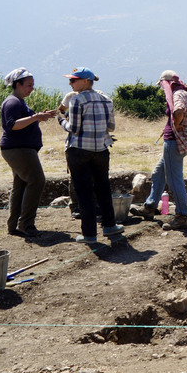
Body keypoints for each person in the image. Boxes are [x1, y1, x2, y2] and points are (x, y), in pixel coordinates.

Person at [131, 70, 187, 230]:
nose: (161, 88)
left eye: (162, 85)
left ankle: (182, 216)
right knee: (158, 173)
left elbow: (178, 111)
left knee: (174, 180)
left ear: (167, 83)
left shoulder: (177, 95)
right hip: (175, 142)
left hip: (173, 143)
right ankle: (150, 207)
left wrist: (176, 125)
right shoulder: (183, 92)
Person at [57, 67, 122, 243]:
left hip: (78, 150)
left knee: (84, 192)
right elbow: (111, 127)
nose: (70, 83)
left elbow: (74, 129)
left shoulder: (76, 100)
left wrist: (61, 120)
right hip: (101, 150)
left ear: (86, 81)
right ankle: (110, 226)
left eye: (73, 80)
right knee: (103, 188)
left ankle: (89, 234)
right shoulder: (106, 100)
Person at [0, 68, 56, 237]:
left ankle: (14, 225)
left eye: (33, 85)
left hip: (19, 149)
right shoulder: (13, 103)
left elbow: (23, 122)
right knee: (37, 180)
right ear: (18, 84)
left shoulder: (19, 102)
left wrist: (38, 116)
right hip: (19, 150)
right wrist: (35, 117)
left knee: (21, 184)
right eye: (29, 85)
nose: (32, 88)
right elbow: (12, 125)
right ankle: (26, 224)